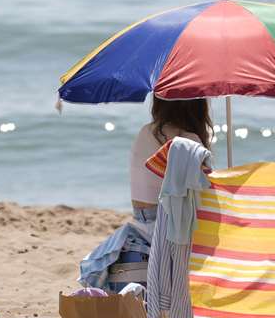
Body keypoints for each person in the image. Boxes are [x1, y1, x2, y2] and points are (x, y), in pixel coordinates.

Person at [78, 96, 214, 290]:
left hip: (139, 224)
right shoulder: (189, 142)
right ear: (199, 106)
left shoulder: (146, 132)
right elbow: (203, 197)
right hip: (166, 225)